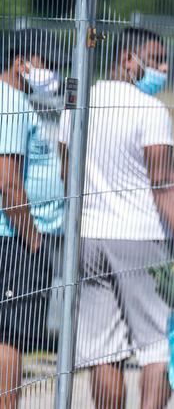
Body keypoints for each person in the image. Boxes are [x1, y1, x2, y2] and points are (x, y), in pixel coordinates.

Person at [58, 27, 174, 409]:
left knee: (103, 352)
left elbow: (66, 169)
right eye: (155, 59)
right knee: (157, 346)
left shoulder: (79, 103)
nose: (163, 68)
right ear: (127, 58)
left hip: (88, 235)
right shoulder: (150, 110)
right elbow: (163, 182)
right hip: (140, 236)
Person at [0, 28, 66, 409]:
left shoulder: (20, 101)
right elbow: (8, 182)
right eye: (47, 63)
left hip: (18, 235)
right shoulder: (10, 102)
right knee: (10, 335)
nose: (53, 72)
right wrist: (35, 240)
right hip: (15, 239)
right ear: (20, 62)